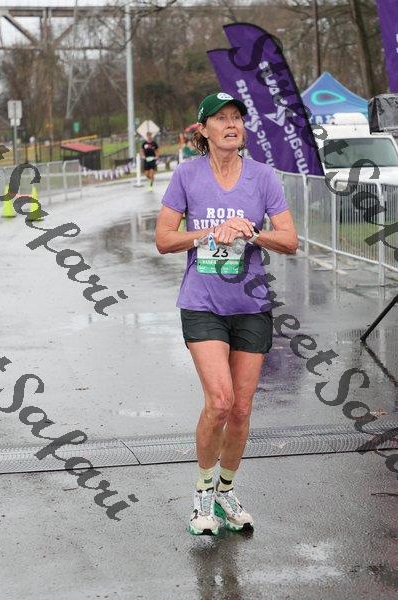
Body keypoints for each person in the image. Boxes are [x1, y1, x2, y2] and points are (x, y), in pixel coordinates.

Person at [155, 92, 298, 536]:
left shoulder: (263, 177)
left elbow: (290, 240)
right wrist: (207, 234)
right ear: (203, 130)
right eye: (221, 119)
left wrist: (251, 233)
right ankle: (202, 494)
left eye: (237, 117)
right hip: (203, 303)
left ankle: (226, 491)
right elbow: (163, 238)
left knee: (241, 409)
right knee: (219, 401)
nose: (232, 124)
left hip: (251, 306)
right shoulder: (187, 175)